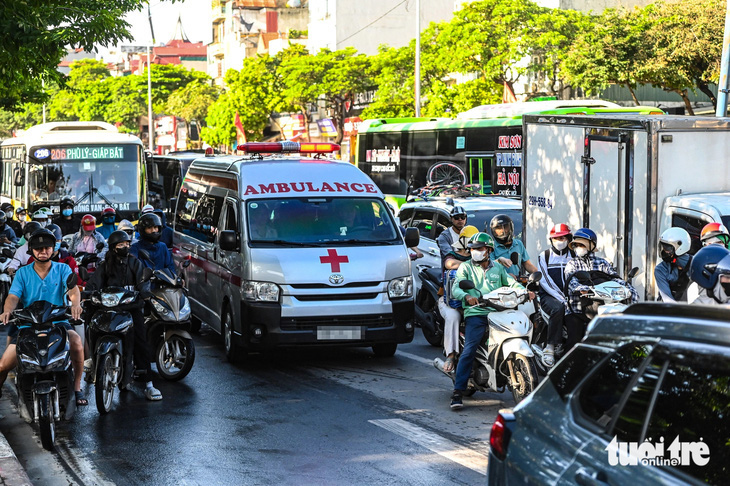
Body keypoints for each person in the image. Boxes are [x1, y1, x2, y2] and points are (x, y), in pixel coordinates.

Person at [0, 229, 87, 406]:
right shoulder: (23, 273)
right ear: (31, 250)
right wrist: (7, 310)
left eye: (47, 247)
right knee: (3, 365)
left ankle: (77, 388)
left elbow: (73, 290)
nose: (43, 251)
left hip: (58, 322)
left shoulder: (63, 268)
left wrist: (76, 304)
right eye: (38, 248)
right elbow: (13, 297)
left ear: (53, 249)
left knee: (77, 342)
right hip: (28, 324)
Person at [449, 232, 524, 410]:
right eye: (473, 249)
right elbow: (457, 287)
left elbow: (511, 284)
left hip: (498, 312)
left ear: (489, 250)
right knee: (469, 349)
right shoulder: (465, 268)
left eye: (479, 249)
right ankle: (457, 392)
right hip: (476, 313)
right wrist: (467, 296)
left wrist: (524, 291)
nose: (475, 251)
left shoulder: (498, 269)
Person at [85, 230, 162, 400]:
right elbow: (93, 283)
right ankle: (92, 359)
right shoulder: (105, 266)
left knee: (141, 342)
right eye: (121, 245)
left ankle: (149, 384)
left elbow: (143, 282)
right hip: (108, 309)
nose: (125, 247)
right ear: (113, 248)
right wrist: (88, 292)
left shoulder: (135, 263)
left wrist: (145, 293)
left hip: (131, 308)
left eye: (127, 244)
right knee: (90, 319)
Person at [563, 228, 639, 351]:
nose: (578, 247)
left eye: (581, 244)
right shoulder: (572, 264)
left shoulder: (602, 263)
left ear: (591, 246)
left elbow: (614, 278)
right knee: (574, 343)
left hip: (599, 308)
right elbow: (572, 282)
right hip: (576, 309)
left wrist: (627, 288)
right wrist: (584, 289)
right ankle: (569, 368)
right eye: (576, 245)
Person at [438, 225, 478, 373]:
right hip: (450, 301)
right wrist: (471, 265)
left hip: (474, 300)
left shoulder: (481, 256)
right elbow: (449, 264)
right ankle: (450, 354)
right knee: (454, 317)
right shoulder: (453, 254)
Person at [536, 223, 575, 368]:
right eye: (557, 238)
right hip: (549, 297)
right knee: (558, 309)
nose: (560, 241)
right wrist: (562, 297)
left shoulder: (573, 255)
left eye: (564, 237)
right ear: (551, 240)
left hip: (571, 296)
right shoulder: (544, 256)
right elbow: (545, 281)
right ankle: (550, 347)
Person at [654, 227, 692, 303]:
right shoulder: (661, 269)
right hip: (669, 311)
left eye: (667, 248)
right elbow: (668, 300)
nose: (664, 251)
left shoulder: (696, 264)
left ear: (680, 246)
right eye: (663, 247)